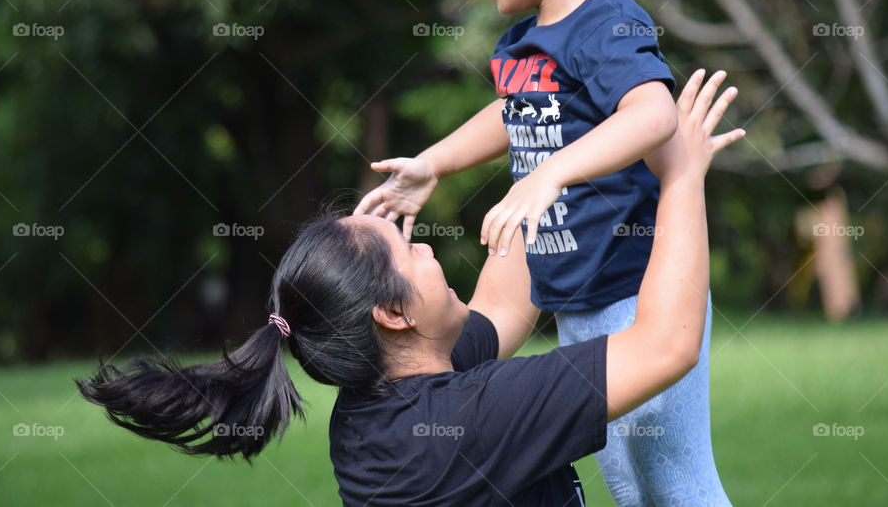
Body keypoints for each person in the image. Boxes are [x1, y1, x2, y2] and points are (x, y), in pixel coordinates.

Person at [77, 71, 739, 506]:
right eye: (408, 249)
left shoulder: (375, 410)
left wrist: (549, 160)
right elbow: (667, 345)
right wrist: (681, 173)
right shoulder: (476, 417)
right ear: (392, 313)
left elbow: (505, 305)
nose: (425, 246)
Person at [354, 0, 728, 504]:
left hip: (638, 293)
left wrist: (550, 174)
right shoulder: (526, 43)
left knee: (675, 484)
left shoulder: (607, 20)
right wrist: (435, 163)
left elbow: (653, 116)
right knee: (629, 488)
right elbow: (511, 113)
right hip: (576, 300)